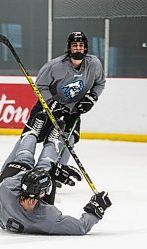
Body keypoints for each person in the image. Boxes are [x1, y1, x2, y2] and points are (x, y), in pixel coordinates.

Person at [0, 114, 112, 235]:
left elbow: (27, 175)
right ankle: (50, 142)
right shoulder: (47, 218)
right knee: (43, 164)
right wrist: (96, 210)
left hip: (3, 208)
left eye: (33, 197)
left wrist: (54, 170)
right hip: (25, 207)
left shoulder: (6, 188)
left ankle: (32, 133)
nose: (30, 202)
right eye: (28, 197)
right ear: (43, 194)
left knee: (24, 159)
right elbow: (80, 227)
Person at [23, 31, 106, 185]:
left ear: (85, 48)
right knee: (30, 138)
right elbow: (40, 86)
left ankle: (56, 174)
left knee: (68, 140)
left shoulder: (94, 64)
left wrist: (92, 97)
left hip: (72, 111)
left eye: (81, 45)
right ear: (69, 48)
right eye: (75, 45)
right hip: (47, 108)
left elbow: (100, 83)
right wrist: (51, 103)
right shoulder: (55, 66)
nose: (78, 48)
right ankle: (12, 171)